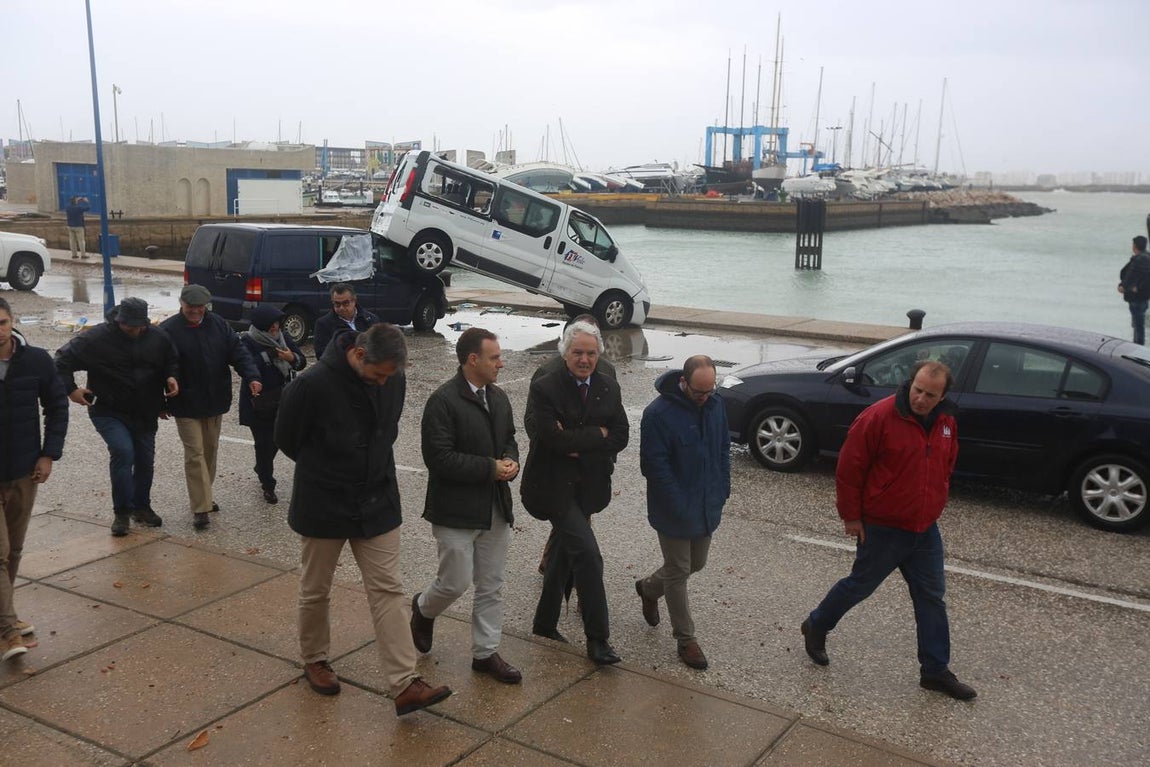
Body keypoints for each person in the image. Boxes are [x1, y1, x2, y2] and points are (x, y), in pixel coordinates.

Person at [274, 324, 452, 716]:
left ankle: (405, 684)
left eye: (391, 375)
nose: (385, 381)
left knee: (389, 590)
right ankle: (314, 658)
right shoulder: (312, 385)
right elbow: (287, 439)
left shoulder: (393, 377)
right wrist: (330, 466)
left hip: (377, 498)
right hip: (324, 500)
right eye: (379, 374)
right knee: (316, 587)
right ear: (358, 354)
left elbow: (386, 430)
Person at [801, 360, 977, 701]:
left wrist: (935, 496)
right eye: (918, 390)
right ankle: (817, 624)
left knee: (931, 598)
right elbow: (850, 469)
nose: (921, 399)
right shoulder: (877, 417)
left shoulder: (946, 422)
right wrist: (852, 517)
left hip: (924, 528)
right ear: (910, 384)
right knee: (859, 587)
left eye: (930, 395)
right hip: (883, 527)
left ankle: (935, 671)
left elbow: (946, 462)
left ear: (942, 397)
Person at [410, 328, 522, 684]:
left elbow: (509, 439)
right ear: (472, 360)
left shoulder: (500, 398)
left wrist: (511, 460)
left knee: (491, 585)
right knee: (454, 583)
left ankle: (485, 654)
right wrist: (490, 468)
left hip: (494, 508)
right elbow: (439, 458)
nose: (501, 363)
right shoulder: (442, 401)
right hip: (455, 510)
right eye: (495, 357)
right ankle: (423, 608)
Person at [521, 320, 629, 665]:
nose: (585, 359)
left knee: (566, 552)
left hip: (590, 487)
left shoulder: (608, 387)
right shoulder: (546, 386)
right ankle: (598, 640)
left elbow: (621, 436)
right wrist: (596, 436)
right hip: (552, 488)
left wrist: (580, 440)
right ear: (565, 353)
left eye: (591, 353)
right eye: (578, 352)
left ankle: (544, 622)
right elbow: (550, 439)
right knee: (588, 555)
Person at [635, 355, 730, 671]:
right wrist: (677, 504)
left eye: (709, 390)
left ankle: (648, 589)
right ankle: (686, 640)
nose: (705, 398)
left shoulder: (715, 405)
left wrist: (722, 488)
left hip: (707, 503)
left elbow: (722, 450)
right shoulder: (657, 415)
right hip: (673, 507)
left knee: (696, 563)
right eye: (698, 392)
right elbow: (655, 467)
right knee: (678, 569)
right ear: (683, 382)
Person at [55, 297, 179, 536]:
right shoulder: (96, 338)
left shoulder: (158, 337)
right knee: (123, 452)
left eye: (138, 326)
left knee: (145, 460)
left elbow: (171, 361)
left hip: (145, 410)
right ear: (119, 320)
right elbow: (61, 360)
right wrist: (71, 389)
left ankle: (141, 507)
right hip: (108, 410)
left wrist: (171, 377)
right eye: (128, 325)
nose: (133, 330)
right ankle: (122, 513)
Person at [160, 284, 261, 530]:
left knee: (209, 451)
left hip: (215, 399)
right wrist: (160, 397)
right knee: (194, 454)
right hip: (184, 402)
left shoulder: (219, 325)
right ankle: (201, 507)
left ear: (206, 305)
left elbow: (238, 353)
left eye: (199, 306)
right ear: (181, 303)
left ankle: (204, 494)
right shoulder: (168, 330)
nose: (194, 310)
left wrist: (252, 376)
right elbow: (161, 365)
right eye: (190, 306)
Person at [0, 297, 68, 661]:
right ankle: (9, 630)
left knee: (14, 550)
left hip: (24, 470)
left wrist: (48, 454)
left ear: (13, 321)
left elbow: (57, 406)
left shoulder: (37, 360)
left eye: (2, 322)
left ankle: (2, 615)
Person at [524, 314, 617, 576]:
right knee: (576, 524)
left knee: (577, 518)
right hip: (557, 465)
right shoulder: (546, 375)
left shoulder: (607, 372)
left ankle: (553, 567)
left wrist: (600, 448)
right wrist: (558, 445)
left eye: (593, 347)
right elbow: (533, 422)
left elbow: (614, 425)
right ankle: (580, 579)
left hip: (593, 465)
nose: (586, 357)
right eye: (579, 349)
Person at [238, 305, 306, 505]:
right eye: (272, 325)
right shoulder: (248, 341)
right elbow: (247, 365)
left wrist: (291, 357)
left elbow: (300, 362)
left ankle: (261, 467)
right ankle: (268, 484)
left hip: (282, 400)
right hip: (258, 401)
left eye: (277, 324)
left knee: (278, 440)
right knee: (263, 443)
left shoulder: (284, 338)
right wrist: (271, 355)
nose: (276, 328)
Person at [312, 283, 378, 358]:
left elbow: (379, 346)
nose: (341, 308)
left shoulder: (370, 319)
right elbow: (321, 355)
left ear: (354, 301)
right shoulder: (323, 324)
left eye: (345, 303)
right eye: (337, 304)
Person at [1118, 235, 1150, 345]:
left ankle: (1138, 349)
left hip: (1137, 297)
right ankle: (1136, 346)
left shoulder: (1141, 259)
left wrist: (1136, 287)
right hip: (1140, 297)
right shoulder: (1143, 257)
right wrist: (1123, 285)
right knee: (1137, 324)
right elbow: (1129, 275)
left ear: (1135, 246)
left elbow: (1133, 275)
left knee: (1138, 325)